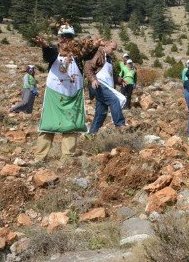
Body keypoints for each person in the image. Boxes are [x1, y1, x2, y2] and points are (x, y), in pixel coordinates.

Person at [33, 24, 98, 163]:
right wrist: (44, 45)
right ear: (59, 38)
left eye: (69, 37)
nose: (66, 40)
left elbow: (89, 54)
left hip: (73, 95)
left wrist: (95, 45)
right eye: (63, 37)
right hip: (54, 94)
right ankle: (40, 157)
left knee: (70, 126)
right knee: (48, 125)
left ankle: (67, 157)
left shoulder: (78, 55)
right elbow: (48, 56)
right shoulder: (54, 52)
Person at [84, 40, 126, 133]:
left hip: (107, 86)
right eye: (112, 49)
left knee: (101, 113)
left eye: (115, 50)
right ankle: (120, 124)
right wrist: (93, 79)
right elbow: (88, 67)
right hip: (99, 85)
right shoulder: (98, 54)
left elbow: (111, 75)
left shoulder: (109, 59)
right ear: (106, 45)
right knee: (114, 100)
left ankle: (91, 135)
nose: (113, 51)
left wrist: (120, 80)